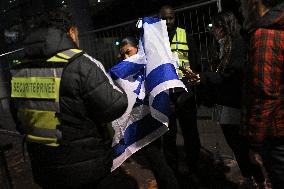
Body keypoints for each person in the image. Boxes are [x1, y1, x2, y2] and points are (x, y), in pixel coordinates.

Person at [9, 9, 138, 189]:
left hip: (45, 170)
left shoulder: (19, 72)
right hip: (87, 170)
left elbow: (19, 121)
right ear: (71, 32)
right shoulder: (79, 63)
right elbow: (114, 105)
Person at [182, 11, 269, 188]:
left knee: (243, 145)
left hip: (234, 103)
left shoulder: (238, 44)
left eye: (215, 27)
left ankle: (259, 180)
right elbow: (218, 75)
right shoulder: (220, 46)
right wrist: (202, 78)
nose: (213, 31)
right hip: (220, 104)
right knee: (233, 144)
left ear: (223, 27)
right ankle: (248, 178)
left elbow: (230, 76)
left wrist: (203, 77)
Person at [119, 36, 181, 189]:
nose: (126, 57)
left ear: (138, 50)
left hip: (157, 117)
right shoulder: (129, 71)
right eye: (123, 55)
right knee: (157, 162)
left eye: (129, 52)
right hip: (145, 120)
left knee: (160, 161)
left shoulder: (149, 65)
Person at [239, 0, 284, 188]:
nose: (240, 10)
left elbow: (265, 95)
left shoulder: (265, 35)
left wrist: (255, 143)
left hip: (275, 135)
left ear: (253, 3)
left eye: (242, 3)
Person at [159, 5, 201, 183]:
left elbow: (196, 61)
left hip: (184, 93)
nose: (169, 22)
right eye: (165, 18)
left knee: (190, 133)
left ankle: (195, 169)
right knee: (168, 136)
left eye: (171, 18)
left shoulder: (186, 35)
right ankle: (173, 173)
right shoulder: (155, 40)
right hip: (165, 94)